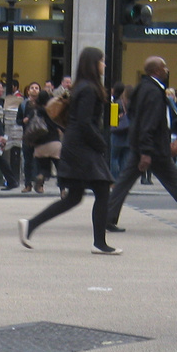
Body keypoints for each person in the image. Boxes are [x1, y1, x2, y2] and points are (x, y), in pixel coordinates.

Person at [18, 47, 119, 255]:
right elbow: (84, 121)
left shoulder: (81, 86)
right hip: (82, 147)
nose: (104, 65)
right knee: (101, 190)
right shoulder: (89, 89)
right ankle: (99, 243)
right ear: (93, 63)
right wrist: (100, 143)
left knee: (75, 196)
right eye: (102, 61)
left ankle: (30, 225)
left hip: (76, 145)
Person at [104, 56, 177, 236]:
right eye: (164, 67)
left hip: (145, 147)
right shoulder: (152, 91)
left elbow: (135, 116)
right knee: (174, 183)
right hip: (153, 149)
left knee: (126, 182)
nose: (167, 69)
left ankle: (107, 216)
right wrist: (146, 151)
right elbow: (149, 122)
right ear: (156, 71)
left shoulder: (144, 87)